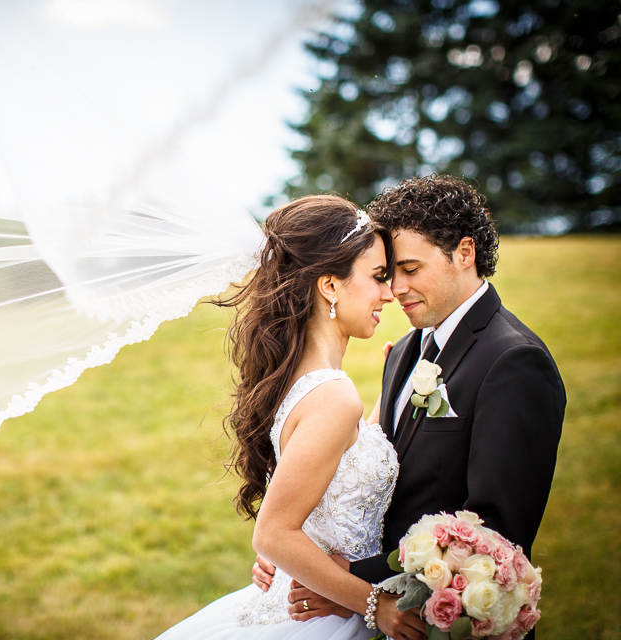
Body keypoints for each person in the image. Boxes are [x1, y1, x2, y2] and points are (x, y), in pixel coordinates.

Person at [253, 175, 565, 640]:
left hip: (442, 622)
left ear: (464, 253)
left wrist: (352, 576)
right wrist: (305, 550)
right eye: (387, 272)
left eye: (411, 269)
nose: (395, 288)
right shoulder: (405, 350)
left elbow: (495, 535)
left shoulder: (514, 362)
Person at [156, 194, 402, 640]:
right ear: (330, 285)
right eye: (377, 277)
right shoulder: (334, 395)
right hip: (328, 619)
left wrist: (392, 392)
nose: (389, 292)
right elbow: (273, 534)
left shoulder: (302, 379)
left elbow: (336, 464)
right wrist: (377, 606)